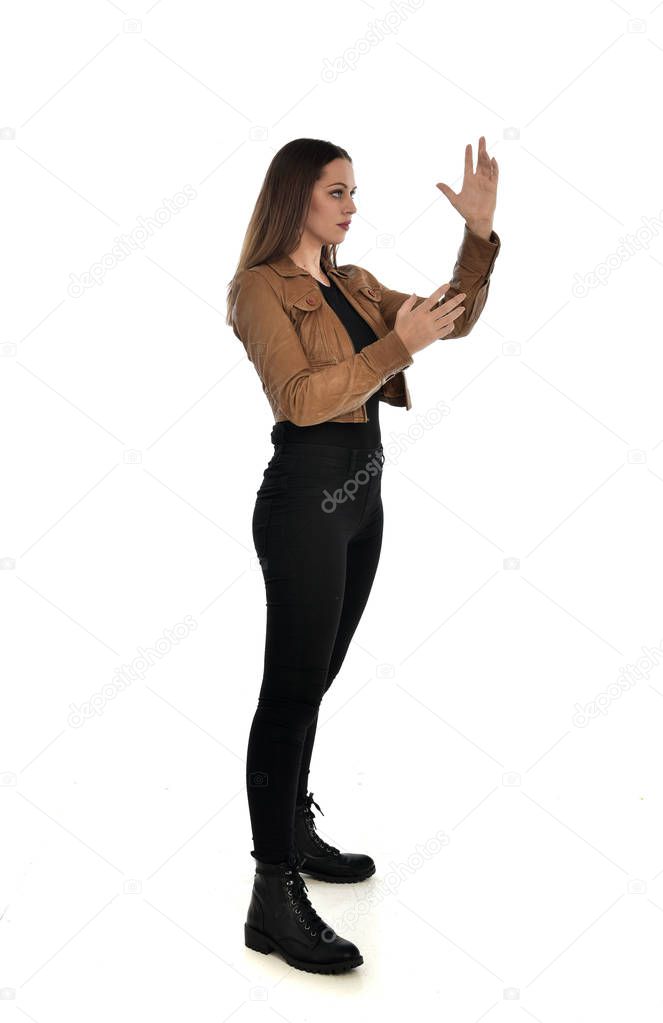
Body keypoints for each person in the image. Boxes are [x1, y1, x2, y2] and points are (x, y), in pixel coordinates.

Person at [226, 136, 501, 973]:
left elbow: (448, 316)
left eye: (354, 191)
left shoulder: (351, 282)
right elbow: (300, 398)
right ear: (294, 200)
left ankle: (294, 830)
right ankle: (271, 894)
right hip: (305, 503)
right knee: (288, 691)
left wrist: (478, 238)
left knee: (316, 679)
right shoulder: (257, 289)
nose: (351, 204)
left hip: (361, 501)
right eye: (336, 191)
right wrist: (395, 349)